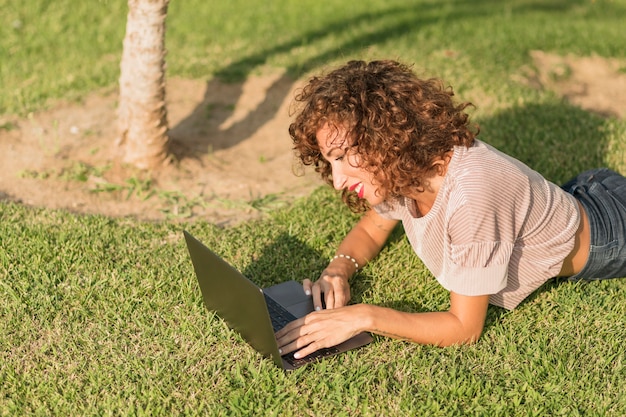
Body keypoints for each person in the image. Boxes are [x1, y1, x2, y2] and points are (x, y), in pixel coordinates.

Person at [275, 59, 626, 360]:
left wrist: (362, 317)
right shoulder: (401, 168)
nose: (336, 180)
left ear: (380, 135)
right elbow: (371, 228)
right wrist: (339, 269)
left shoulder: (470, 196)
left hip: (610, 235)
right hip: (583, 193)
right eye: (329, 162)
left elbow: (463, 328)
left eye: (341, 156)